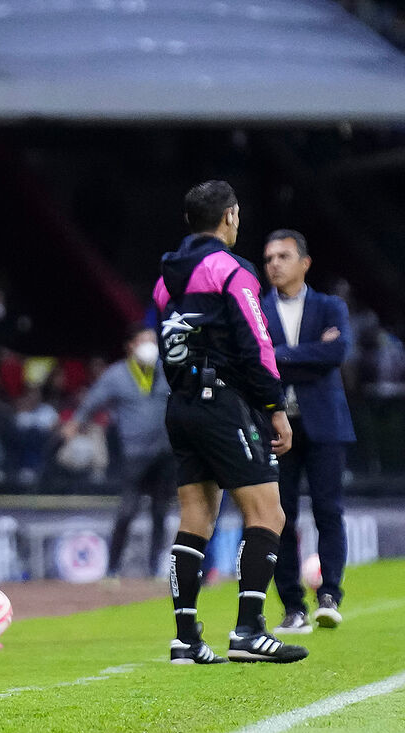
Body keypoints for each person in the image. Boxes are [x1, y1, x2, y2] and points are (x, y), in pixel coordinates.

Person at [154, 180, 307, 664]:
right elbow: (256, 344)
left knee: (196, 516)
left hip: (180, 403)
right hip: (221, 401)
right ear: (230, 217)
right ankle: (248, 630)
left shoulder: (164, 278)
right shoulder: (231, 270)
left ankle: (185, 639)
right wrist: (274, 408)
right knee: (269, 513)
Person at [261, 230, 356, 634]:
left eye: (283, 256)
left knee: (329, 511)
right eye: (268, 259)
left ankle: (330, 595)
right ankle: (292, 607)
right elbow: (256, 361)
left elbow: (336, 352)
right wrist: (308, 355)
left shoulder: (330, 305)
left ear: (305, 262)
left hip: (325, 425)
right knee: (280, 518)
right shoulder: (258, 309)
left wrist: (281, 355)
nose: (274, 265)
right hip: (277, 426)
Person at [61, 324, 174, 578]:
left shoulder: (166, 370)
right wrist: (76, 422)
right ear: (131, 346)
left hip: (165, 452)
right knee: (127, 512)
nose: (150, 346)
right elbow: (94, 400)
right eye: (144, 341)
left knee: (160, 512)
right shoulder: (117, 374)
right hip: (134, 454)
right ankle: (112, 568)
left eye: (153, 341)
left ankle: (155, 569)